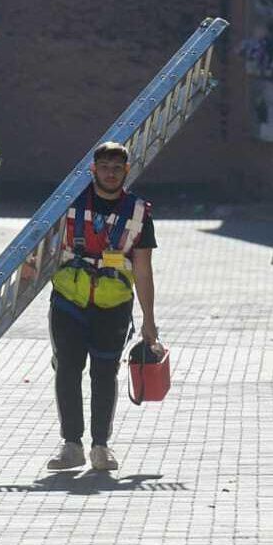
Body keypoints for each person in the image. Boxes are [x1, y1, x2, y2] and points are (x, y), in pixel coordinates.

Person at [45, 142, 158, 472]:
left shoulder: (139, 213)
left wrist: (149, 321)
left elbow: (143, 269)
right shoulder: (69, 202)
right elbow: (42, 239)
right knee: (67, 368)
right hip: (69, 299)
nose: (110, 173)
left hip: (114, 304)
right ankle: (71, 445)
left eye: (117, 168)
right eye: (104, 167)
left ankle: (100, 447)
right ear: (93, 170)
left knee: (105, 373)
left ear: (126, 171)